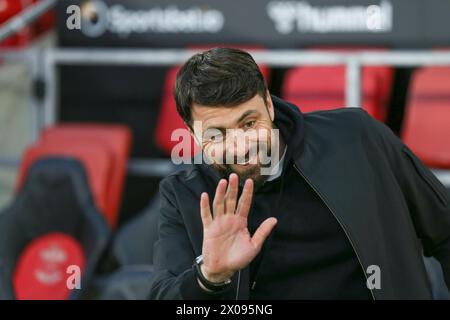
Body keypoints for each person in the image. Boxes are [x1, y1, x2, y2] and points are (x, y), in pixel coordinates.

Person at [149, 47, 450, 299]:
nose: (240, 147)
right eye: (217, 135)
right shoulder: (184, 192)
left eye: (249, 123)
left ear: (268, 104)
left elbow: (445, 228)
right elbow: (165, 293)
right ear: (192, 133)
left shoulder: (355, 138)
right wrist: (209, 278)